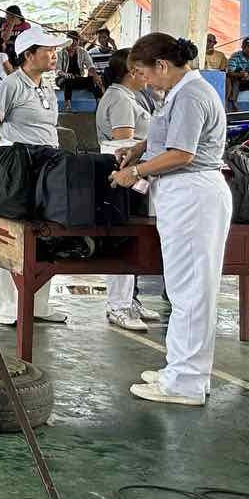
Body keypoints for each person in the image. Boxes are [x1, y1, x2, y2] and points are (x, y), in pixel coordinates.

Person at [109, 33, 231, 406]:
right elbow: (167, 137)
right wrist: (139, 148)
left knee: (191, 290)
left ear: (162, 65)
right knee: (183, 288)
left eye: (143, 73)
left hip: (193, 193)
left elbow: (182, 153)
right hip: (182, 195)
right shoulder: (177, 93)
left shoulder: (192, 95)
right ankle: (181, 369)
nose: (143, 80)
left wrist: (138, 172)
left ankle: (186, 382)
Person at [0, 27, 71, 326]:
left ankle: (37, 305)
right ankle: (2, 307)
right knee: (9, 231)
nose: (53, 54)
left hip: (47, 164)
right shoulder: (10, 86)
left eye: (54, 50)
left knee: (43, 232)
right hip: (16, 165)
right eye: (47, 50)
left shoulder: (47, 86)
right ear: (28, 54)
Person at [95, 50, 162, 333]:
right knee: (123, 237)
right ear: (132, 71)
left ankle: (129, 299)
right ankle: (118, 304)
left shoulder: (129, 97)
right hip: (124, 175)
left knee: (132, 237)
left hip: (133, 175)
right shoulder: (121, 99)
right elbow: (124, 142)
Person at [57, 30, 102, 111]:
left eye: (76, 40)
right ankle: (67, 104)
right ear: (67, 41)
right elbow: (58, 71)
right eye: (71, 41)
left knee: (93, 80)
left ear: (78, 41)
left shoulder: (82, 52)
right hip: (62, 79)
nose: (74, 43)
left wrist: (95, 75)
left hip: (77, 79)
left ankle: (99, 102)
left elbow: (90, 66)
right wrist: (65, 74)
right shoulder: (60, 53)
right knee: (68, 80)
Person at [224, 36, 249, 111]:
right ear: (243, 47)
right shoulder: (235, 56)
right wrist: (241, 75)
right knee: (231, 79)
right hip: (238, 81)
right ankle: (232, 104)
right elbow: (229, 72)